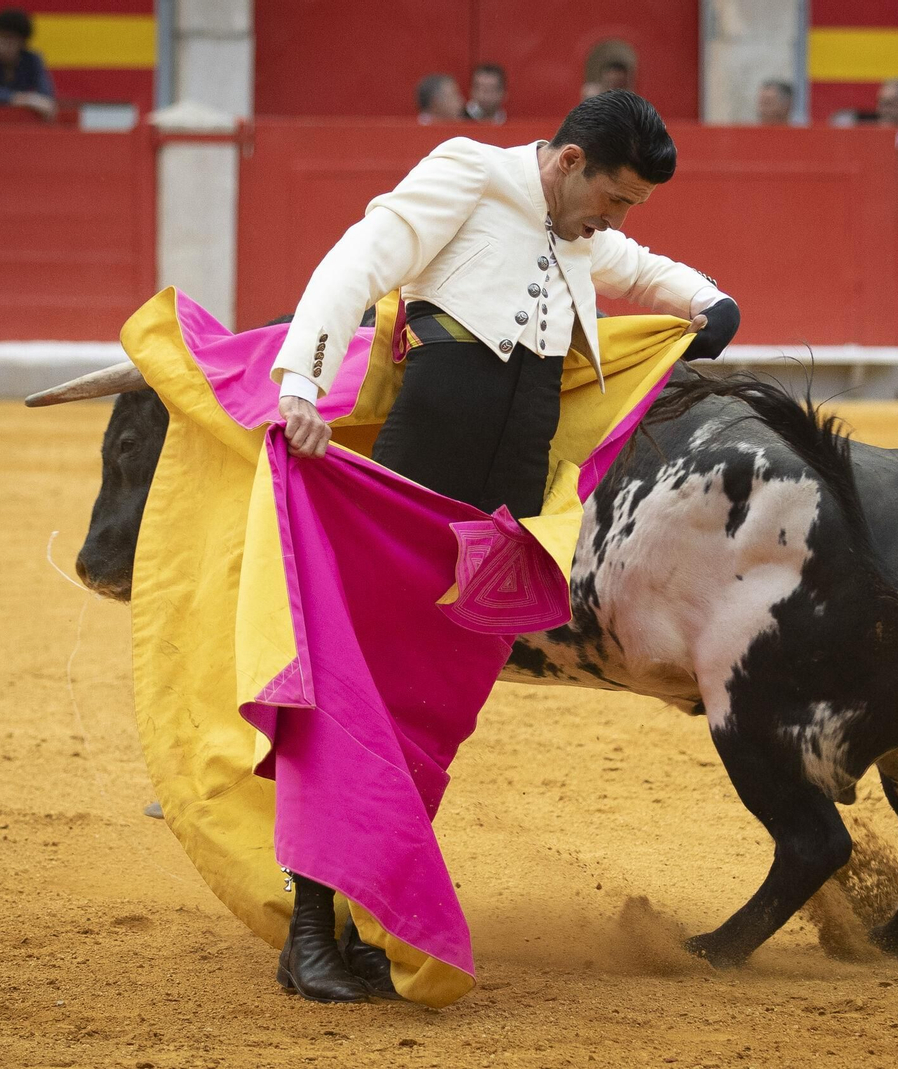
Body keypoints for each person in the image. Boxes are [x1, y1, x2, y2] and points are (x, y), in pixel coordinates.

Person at [269, 90, 740, 1000]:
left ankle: (353, 911)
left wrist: (708, 300)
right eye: (615, 197)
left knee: (431, 711)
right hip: (412, 498)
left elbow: (639, 266)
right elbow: (359, 259)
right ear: (569, 163)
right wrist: (300, 374)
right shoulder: (468, 173)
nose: (616, 220)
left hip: (504, 523)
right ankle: (306, 931)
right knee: (364, 693)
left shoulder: (577, 229)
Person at [0, 8, 56, 120]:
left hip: (19, 125)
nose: (1, 44)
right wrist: (27, 99)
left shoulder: (32, 60)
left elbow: (46, 97)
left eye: (9, 39)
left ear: (22, 43)